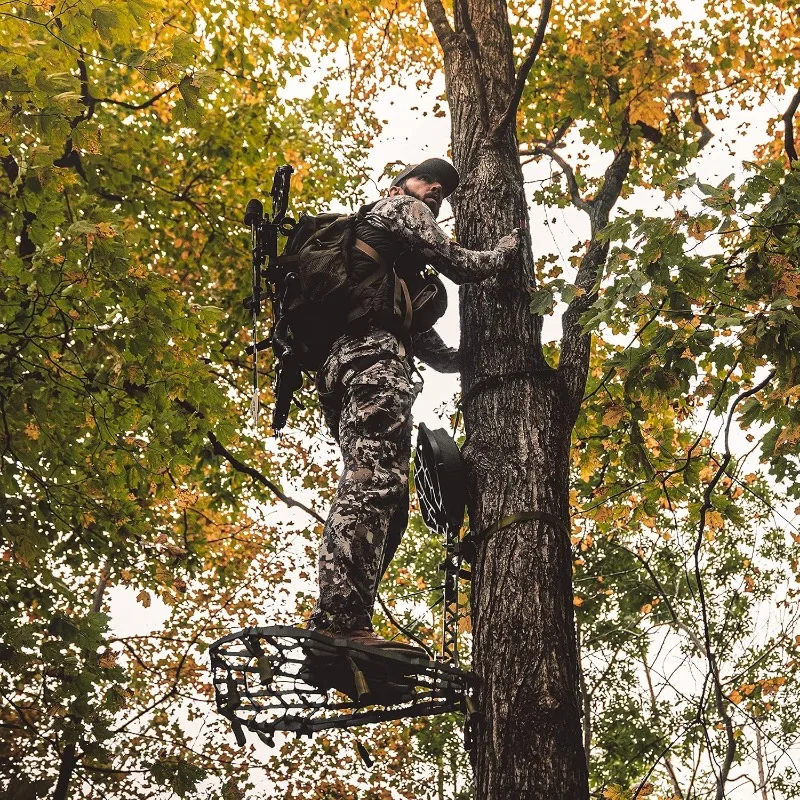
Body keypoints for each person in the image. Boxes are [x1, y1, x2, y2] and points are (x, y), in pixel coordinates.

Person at [307, 157, 519, 654]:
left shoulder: (385, 269)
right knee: (375, 482)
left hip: (353, 369)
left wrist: (473, 357)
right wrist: (509, 249)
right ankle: (338, 627)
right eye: (429, 180)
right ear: (401, 182)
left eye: (443, 190)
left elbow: (432, 348)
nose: (435, 192)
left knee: (390, 499)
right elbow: (461, 264)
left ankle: (344, 622)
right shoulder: (399, 207)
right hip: (371, 364)